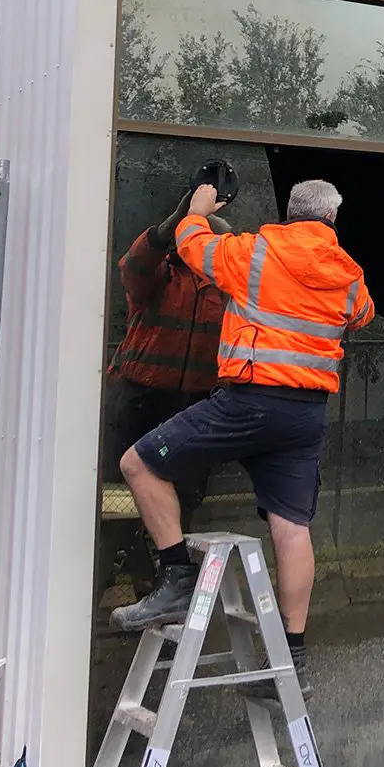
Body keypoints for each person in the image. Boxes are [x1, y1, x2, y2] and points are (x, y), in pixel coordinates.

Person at [110, 179, 375, 701]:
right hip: (304, 417)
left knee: (139, 465)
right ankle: (292, 660)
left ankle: (177, 581)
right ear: (332, 221)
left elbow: (190, 245)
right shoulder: (348, 275)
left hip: (247, 403)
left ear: (291, 213)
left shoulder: (252, 253)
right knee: (292, 528)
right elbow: (360, 315)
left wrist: (198, 208)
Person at [100, 194, 229, 602]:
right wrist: (167, 226)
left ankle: (164, 588)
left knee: (184, 499)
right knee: (117, 504)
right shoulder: (160, 276)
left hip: (194, 404)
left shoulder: (226, 287)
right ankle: (108, 580)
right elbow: (133, 266)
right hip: (138, 400)